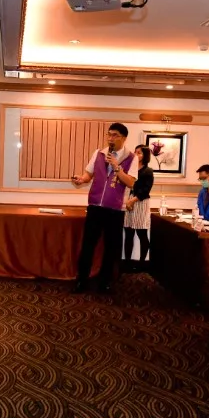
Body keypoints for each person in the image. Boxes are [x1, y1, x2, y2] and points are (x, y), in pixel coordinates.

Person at [71, 123, 135, 293]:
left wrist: (117, 167)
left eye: (115, 135)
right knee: (88, 245)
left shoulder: (131, 157)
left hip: (115, 209)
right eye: (109, 134)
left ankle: (105, 282)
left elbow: (131, 182)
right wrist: (81, 179)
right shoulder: (99, 153)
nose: (110, 138)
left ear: (123, 138)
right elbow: (88, 174)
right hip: (95, 206)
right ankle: (81, 281)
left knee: (111, 247)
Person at [123, 145, 155, 272]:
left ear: (145, 155)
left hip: (140, 202)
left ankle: (142, 264)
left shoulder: (148, 171)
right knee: (128, 232)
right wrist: (128, 200)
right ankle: (127, 262)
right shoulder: (129, 169)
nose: (136, 155)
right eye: (135, 152)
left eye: (139, 153)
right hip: (128, 200)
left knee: (141, 233)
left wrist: (133, 200)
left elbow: (146, 190)